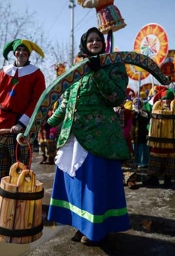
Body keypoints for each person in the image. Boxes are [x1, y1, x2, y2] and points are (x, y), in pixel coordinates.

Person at [46, 27, 130, 246]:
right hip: (74, 134)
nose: (94, 43)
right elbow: (67, 100)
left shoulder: (113, 64)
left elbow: (116, 97)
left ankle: (96, 231)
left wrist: (98, 72)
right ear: (85, 44)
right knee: (76, 183)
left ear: (104, 42)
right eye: (90, 40)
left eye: (98, 39)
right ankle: (80, 224)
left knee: (94, 185)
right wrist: (48, 122)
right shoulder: (76, 68)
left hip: (99, 136)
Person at [0, 39, 46, 209]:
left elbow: (37, 101)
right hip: (1, 125)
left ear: (29, 54)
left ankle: (18, 198)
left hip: (20, 127)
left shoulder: (37, 74)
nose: (21, 53)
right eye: (18, 50)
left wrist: (23, 123)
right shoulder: (4, 72)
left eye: (25, 50)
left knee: (19, 166)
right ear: (14, 52)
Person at [144, 89, 175, 187]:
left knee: (171, 162)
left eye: (169, 99)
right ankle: (153, 179)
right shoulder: (156, 110)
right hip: (158, 144)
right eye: (165, 99)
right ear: (161, 100)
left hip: (172, 143)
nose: (166, 101)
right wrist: (150, 129)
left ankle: (168, 179)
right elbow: (150, 124)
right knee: (155, 162)